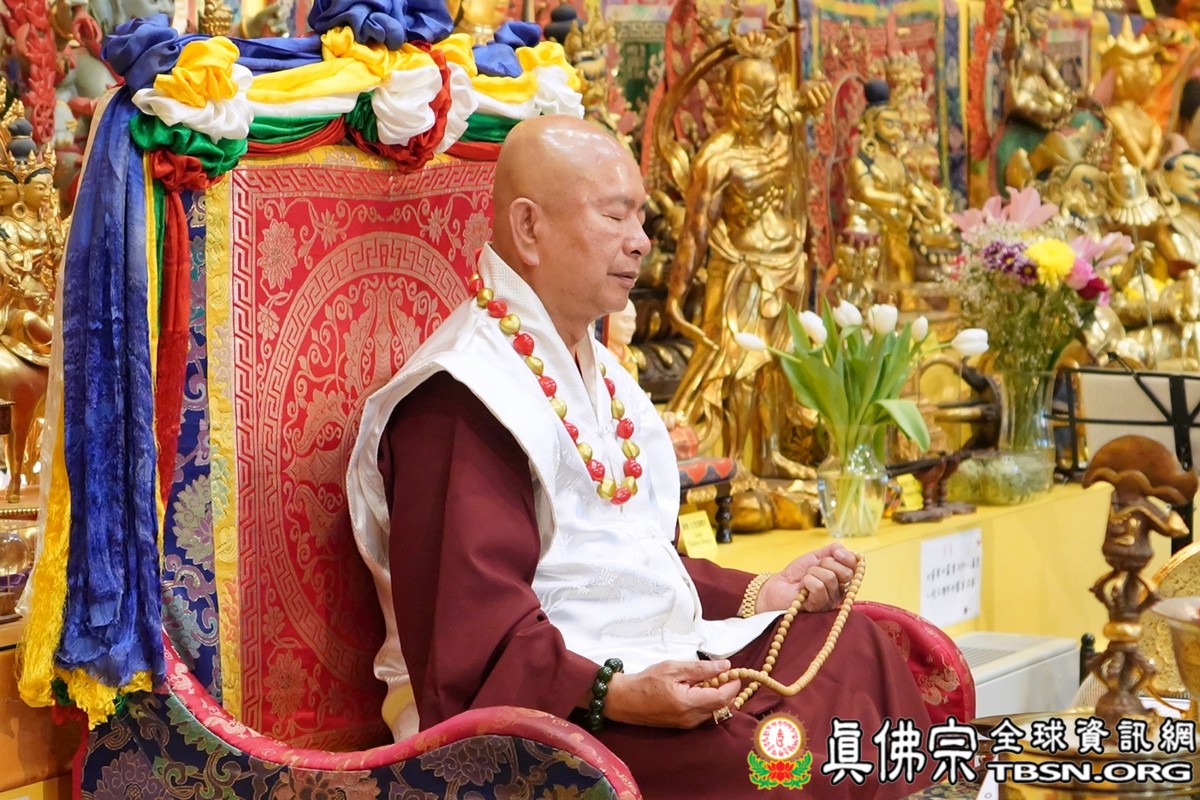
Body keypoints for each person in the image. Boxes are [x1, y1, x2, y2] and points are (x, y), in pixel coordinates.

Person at [347, 115, 934, 799]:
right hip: (548, 715)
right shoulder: (463, 396)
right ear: (529, 228)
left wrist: (762, 592)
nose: (641, 242)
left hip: (648, 665)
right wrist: (615, 694)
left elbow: (632, 562)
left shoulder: (600, 373)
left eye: (642, 217)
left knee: (857, 648)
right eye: (615, 215)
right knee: (771, 760)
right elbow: (470, 641)